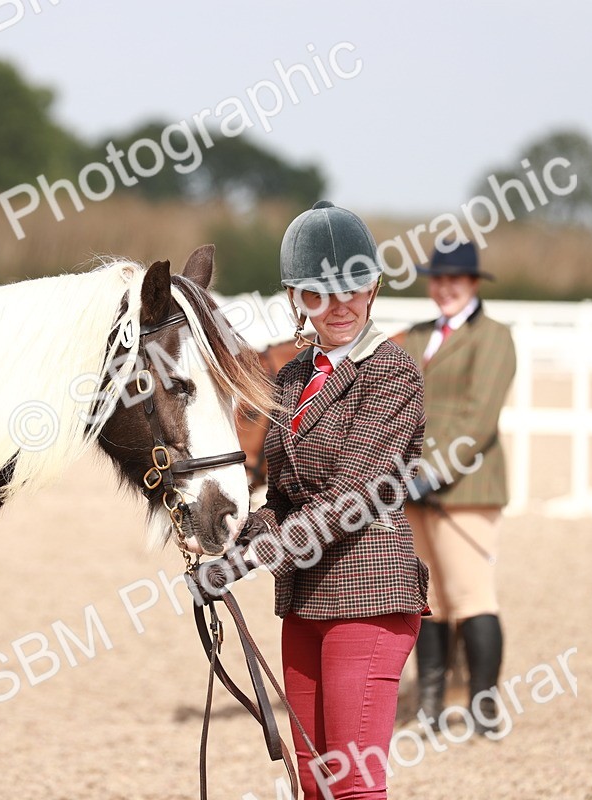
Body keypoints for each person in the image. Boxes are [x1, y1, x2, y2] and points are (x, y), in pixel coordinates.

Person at [193, 201, 430, 799]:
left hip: (369, 596)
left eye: (352, 286)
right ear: (298, 298)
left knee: (352, 785)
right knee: (315, 786)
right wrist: (228, 541)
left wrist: (252, 557)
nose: (339, 304)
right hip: (303, 604)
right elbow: (284, 496)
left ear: (373, 285)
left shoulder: (392, 373)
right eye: (319, 292)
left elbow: (351, 497)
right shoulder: (293, 376)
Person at [400, 241, 516, 738]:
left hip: (466, 487)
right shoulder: (415, 336)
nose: (444, 288)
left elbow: (479, 416)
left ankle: (483, 706)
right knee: (431, 602)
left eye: (455, 280)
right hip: (410, 488)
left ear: (472, 283)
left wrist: (433, 470)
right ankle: (429, 705)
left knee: (471, 595)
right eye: (438, 279)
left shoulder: (492, 337)